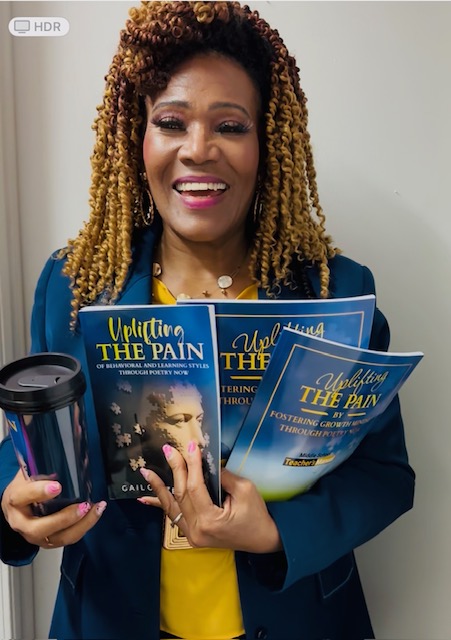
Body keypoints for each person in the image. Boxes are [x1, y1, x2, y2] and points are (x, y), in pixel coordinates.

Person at [0, 2, 414, 639]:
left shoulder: (335, 293)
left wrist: (276, 531)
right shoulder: (73, 287)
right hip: (110, 619)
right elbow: (30, 442)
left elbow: (384, 477)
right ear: (137, 140)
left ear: (265, 144)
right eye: (171, 122)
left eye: (230, 125)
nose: (198, 149)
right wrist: (14, 502)